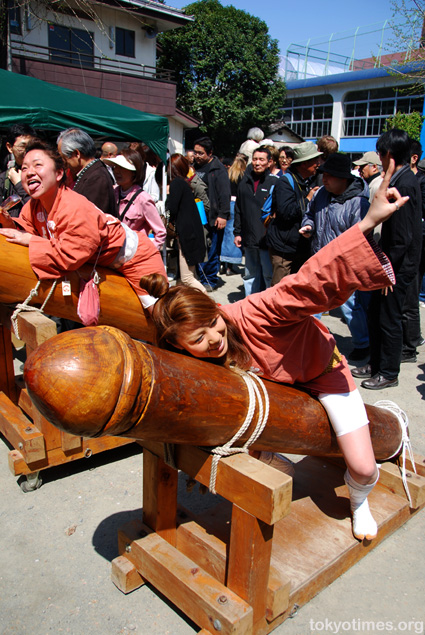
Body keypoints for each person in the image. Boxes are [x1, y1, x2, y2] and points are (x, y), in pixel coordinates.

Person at [139, 160, 409, 541]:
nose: (213, 340)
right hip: (267, 388)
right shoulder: (186, 353)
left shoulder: (253, 312)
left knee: (364, 468)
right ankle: (267, 454)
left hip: (320, 372)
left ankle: (359, 499)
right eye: (197, 340)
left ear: (216, 310)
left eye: (212, 325)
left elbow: (308, 280)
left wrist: (366, 224)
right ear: (179, 345)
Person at [0, 140, 166, 312]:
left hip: (137, 258)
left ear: (58, 173)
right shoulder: (33, 206)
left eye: (38, 165)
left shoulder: (74, 206)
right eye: (25, 168)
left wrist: (32, 241)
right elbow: (27, 231)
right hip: (103, 263)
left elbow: (70, 254)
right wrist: (8, 223)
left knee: (161, 316)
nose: (29, 173)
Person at [352, 129, 422, 389]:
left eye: (381, 154)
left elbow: (402, 237)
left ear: (389, 155)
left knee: (389, 318)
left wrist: (387, 269)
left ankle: (389, 372)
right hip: (391, 262)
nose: (380, 159)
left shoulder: (404, 183)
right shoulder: (402, 178)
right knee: (375, 313)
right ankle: (376, 363)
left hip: (397, 265)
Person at [299, 153, 371, 360]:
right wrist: (309, 225)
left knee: (350, 307)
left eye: (330, 176)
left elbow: (360, 238)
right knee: (313, 305)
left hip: (344, 266)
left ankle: (363, 343)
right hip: (319, 260)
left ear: (344, 178)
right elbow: (310, 213)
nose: (325, 179)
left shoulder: (359, 203)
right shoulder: (321, 194)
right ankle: (310, 342)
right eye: (324, 174)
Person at [266, 141, 321, 283]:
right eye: (315, 160)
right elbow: (286, 213)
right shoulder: (285, 182)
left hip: (298, 247)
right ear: (304, 163)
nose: (318, 164)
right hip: (283, 248)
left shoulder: (306, 181)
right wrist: (308, 199)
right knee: (279, 291)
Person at [234, 147, 276, 295]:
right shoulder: (244, 183)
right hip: (248, 236)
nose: (257, 163)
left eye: (261, 160)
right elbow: (238, 209)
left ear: (269, 162)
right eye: (255, 159)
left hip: (266, 238)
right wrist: (237, 232)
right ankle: (249, 303)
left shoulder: (274, 183)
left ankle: (267, 305)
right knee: (250, 274)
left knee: (268, 275)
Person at [105, 148, 166, 251]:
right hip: (113, 253)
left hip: (134, 256)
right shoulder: (112, 192)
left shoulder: (143, 199)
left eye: (122, 168)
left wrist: (147, 253)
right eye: (116, 167)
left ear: (134, 172)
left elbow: (160, 232)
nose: (117, 172)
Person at [193, 136, 231, 292]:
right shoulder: (194, 167)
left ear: (209, 153)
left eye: (200, 153)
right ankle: (199, 277)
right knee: (200, 247)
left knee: (212, 248)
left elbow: (224, 194)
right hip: (197, 215)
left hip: (213, 216)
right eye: (195, 152)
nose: (197, 156)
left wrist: (223, 215)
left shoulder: (218, 169)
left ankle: (210, 279)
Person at [166, 154, 206, 292]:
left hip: (187, 235)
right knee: (190, 276)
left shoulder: (177, 184)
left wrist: (167, 196)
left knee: (187, 279)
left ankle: (209, 304)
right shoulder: (184, 183)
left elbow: (172, 208)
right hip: (192, 233)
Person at [57, 128, 117, 217]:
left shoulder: (97, 178)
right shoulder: (89, 173)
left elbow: (89, 218)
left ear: (77, 154)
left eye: (64, 158)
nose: (64, 162)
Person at [0, 124, 37, 216]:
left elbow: (39, 209)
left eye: (31, 147)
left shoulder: (41, 176)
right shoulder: (4, 179)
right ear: (9, 147)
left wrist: (19, 184)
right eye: (22, 147)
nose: (27, 151)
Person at [220, 155, 245, 276]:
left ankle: (222, 264)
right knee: (233, 234)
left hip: (227, 203)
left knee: (225, 235)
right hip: (236, 204)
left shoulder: (227, 174)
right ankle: (230, 265)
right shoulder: (243, 176)